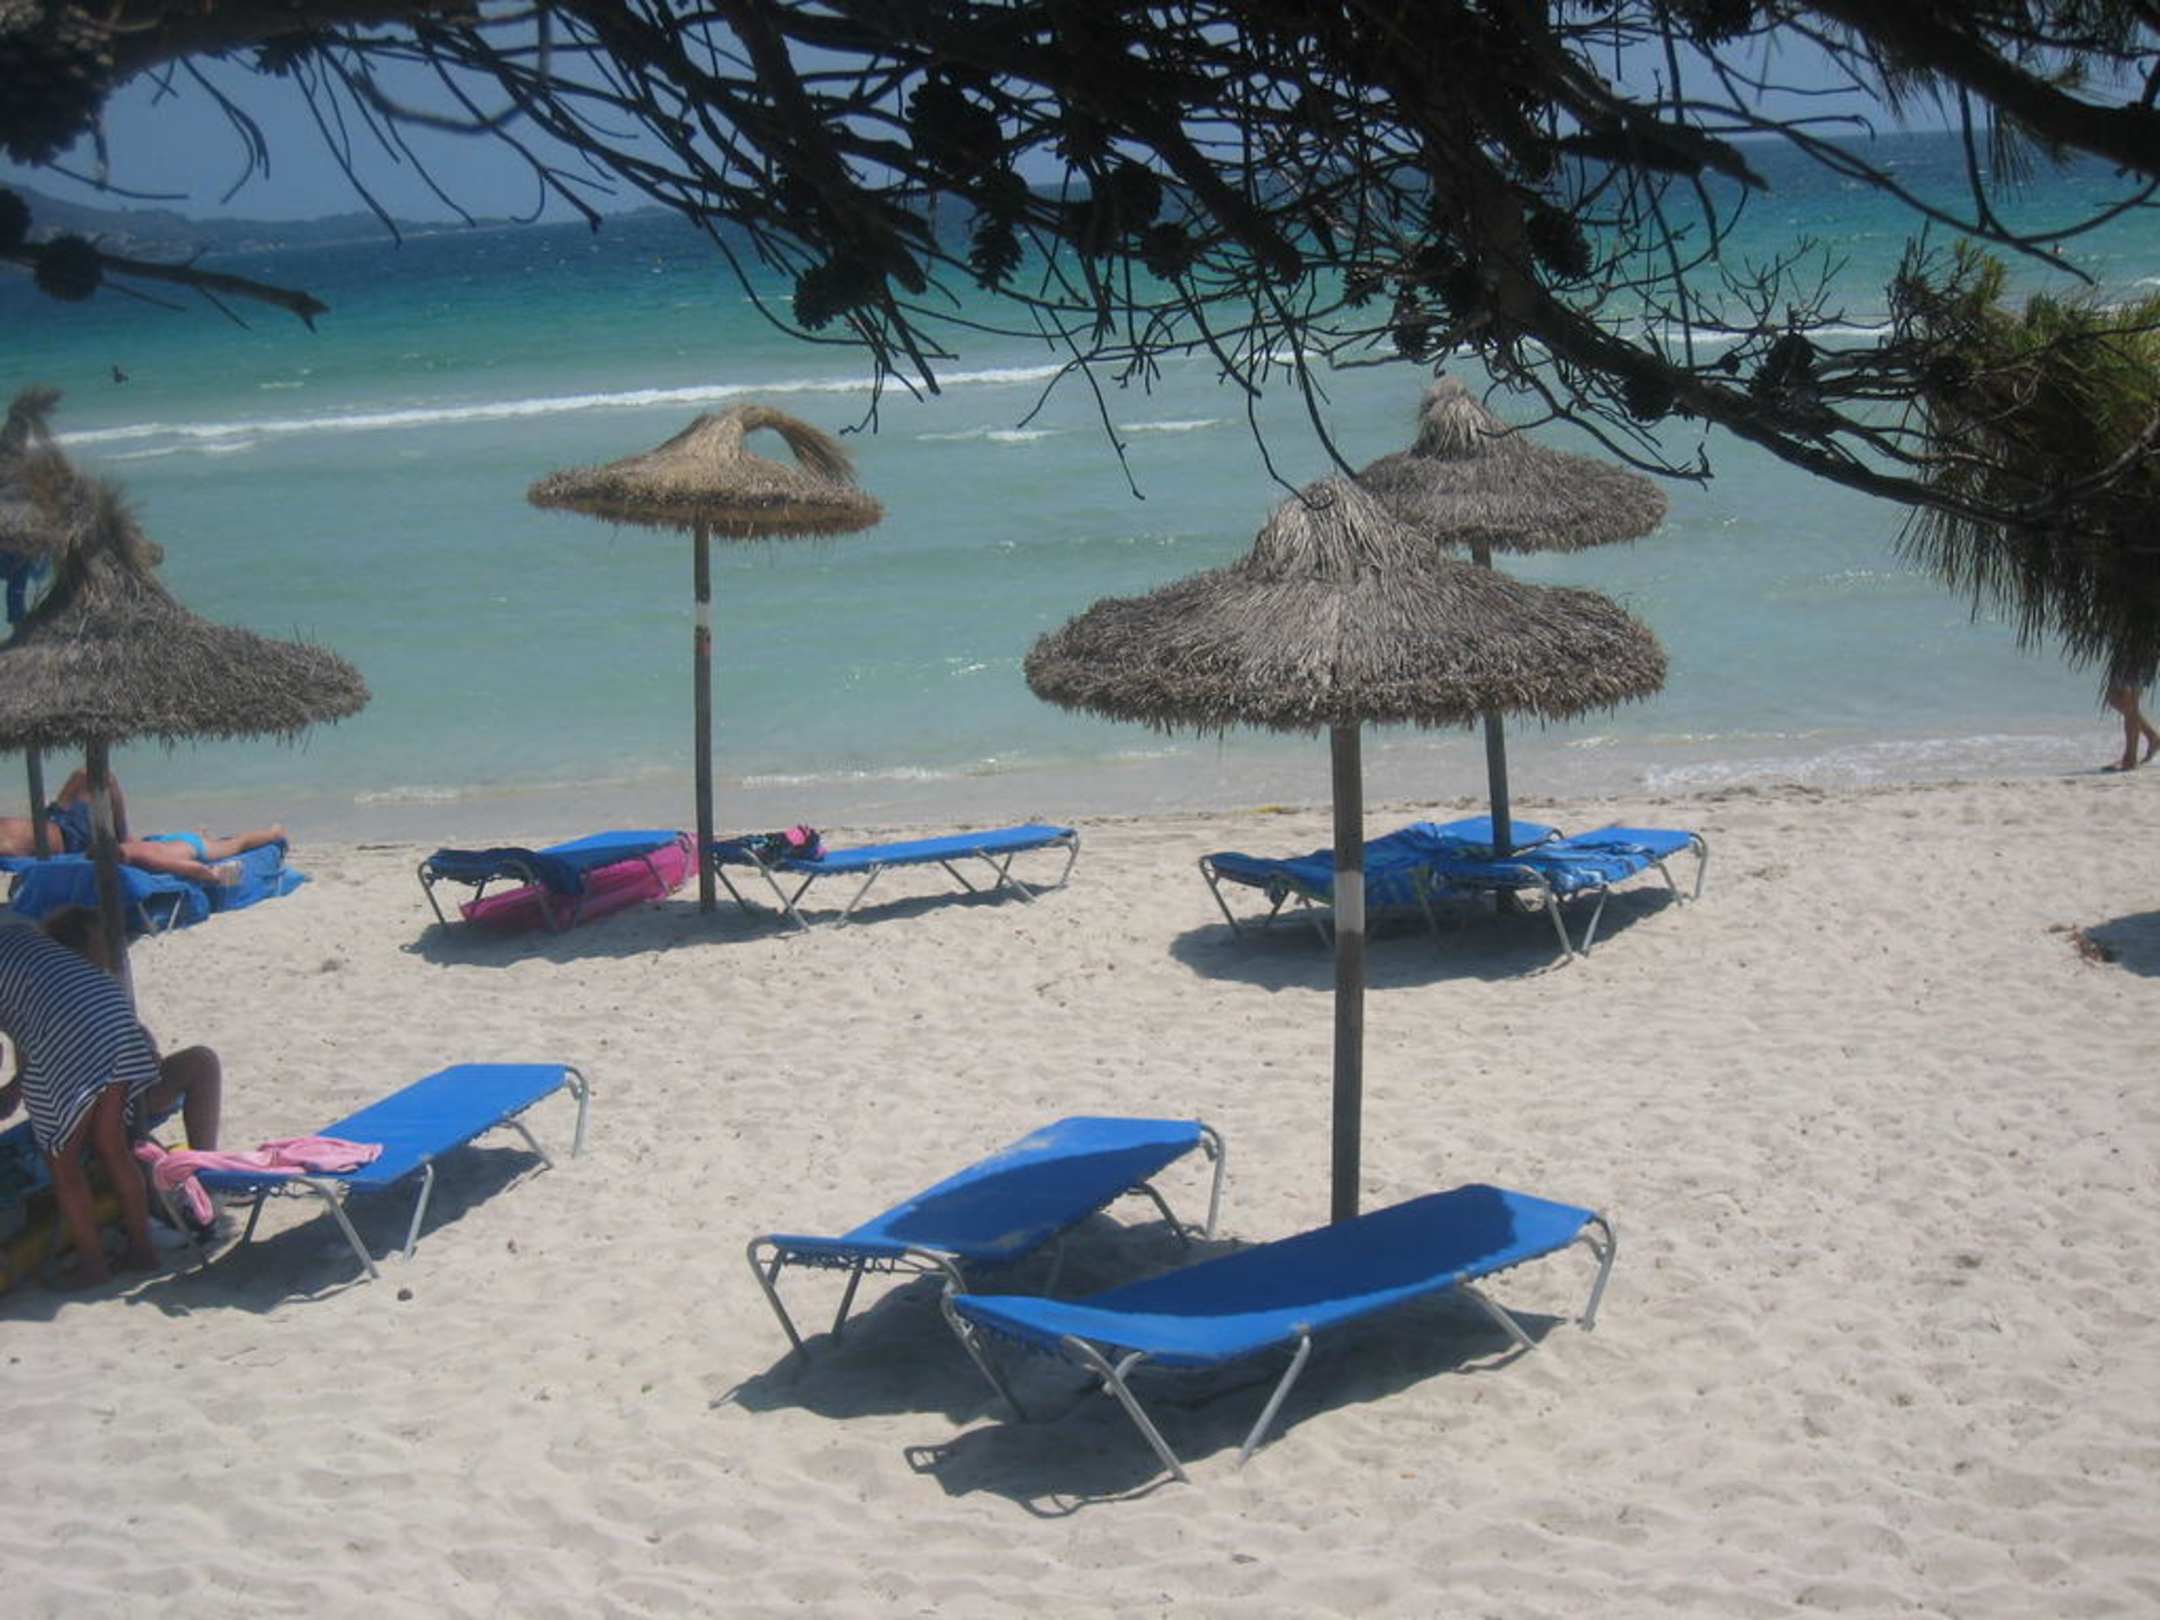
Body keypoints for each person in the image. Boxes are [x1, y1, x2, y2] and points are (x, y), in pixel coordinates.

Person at [0, 922, 162, 1285]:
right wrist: (17, 1086)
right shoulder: (15, 929)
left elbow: (35, 1028)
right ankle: (143, 1250)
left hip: (68, 1030)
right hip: (111, 1012)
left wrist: (11, 1091)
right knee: (112, 1145)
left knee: (63, 1161)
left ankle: (93, 1264)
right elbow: (33, 1012)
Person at [38, 905, 221, 1157]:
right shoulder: (84, 994)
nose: (109, 947)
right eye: (101, 941)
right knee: (202, 1062)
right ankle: (206, 1158)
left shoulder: (57, 990)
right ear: (82, 949)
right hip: (106, 1101)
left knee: (196, 1062)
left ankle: (201, 1158)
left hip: (87, 1098)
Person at [0, 767, 286, 884]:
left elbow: (187, 867)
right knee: (231, 844)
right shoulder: (136, 854)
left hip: (57, 820)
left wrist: (212, 875)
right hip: (74, 839)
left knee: (235, 844)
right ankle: (270, 832)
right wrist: (212, 874)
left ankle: (272, 832)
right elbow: (185, 867)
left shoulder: (136, 854)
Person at [2103, 650, 2160, 772]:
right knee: (2119, 698)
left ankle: (2130, 758)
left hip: (2137, 647)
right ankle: (2152, 738)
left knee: (2125, 697)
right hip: (2131, 647)